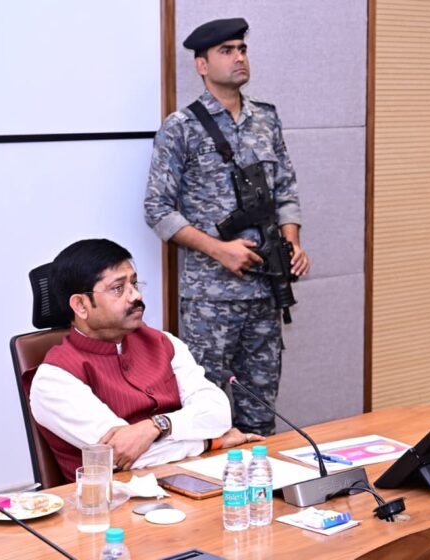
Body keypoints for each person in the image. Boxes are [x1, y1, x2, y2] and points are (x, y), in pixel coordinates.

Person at [144, 18, 308, 436]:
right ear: (201, 65)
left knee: (261, 415)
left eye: (242, 49)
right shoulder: (181, 127)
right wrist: (220, 250)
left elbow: (286, 190)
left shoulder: (266, 119)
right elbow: (157, 209)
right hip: (210, 301)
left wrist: (292, 241)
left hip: (265, 293)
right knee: (208, 419)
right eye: (226, 51)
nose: (239, 57)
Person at [30, 239, 261, 482]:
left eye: (134, 283)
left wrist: (158, 425)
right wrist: (213, 442)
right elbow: (125, 455)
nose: (136, 295)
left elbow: (218, 413)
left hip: (192, 482)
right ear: (80, 305)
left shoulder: (163, 342)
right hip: (114, 498)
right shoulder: (53, 379)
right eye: (118, 288)